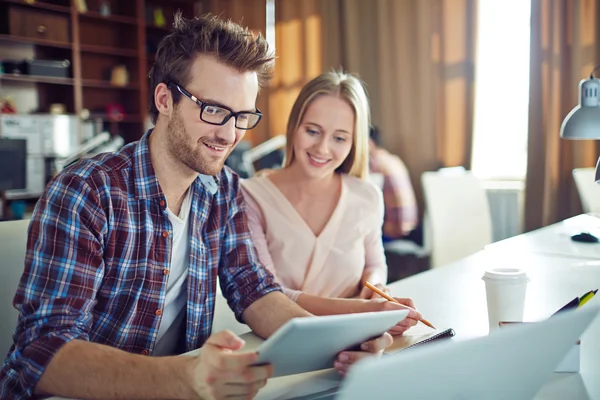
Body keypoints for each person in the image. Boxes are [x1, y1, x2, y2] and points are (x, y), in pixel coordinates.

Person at [0, 15, 395, 400]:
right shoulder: (86, 191)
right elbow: (43, 354)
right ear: (164, 99)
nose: (229, 134)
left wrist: (342, 342)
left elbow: (255, 292)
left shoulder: (222, 190)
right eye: (214, 110)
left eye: (242, 116)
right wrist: (186, 377)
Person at [241, 71, 423, 332]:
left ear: (353, 142)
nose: (322, 148)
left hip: (356, 334)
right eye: (313, 131)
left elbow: (375, 265)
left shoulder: (366, 195)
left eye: (339, 138)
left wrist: (375, 288)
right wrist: (365, 310)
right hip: (282, 339)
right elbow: (270, 296)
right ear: (294, 126)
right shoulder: (252, 196)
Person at [368, 126, 419, 241]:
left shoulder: (376, 163)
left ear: (370, 144)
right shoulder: (393, 159)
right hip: (410, 227)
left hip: (394, 231)